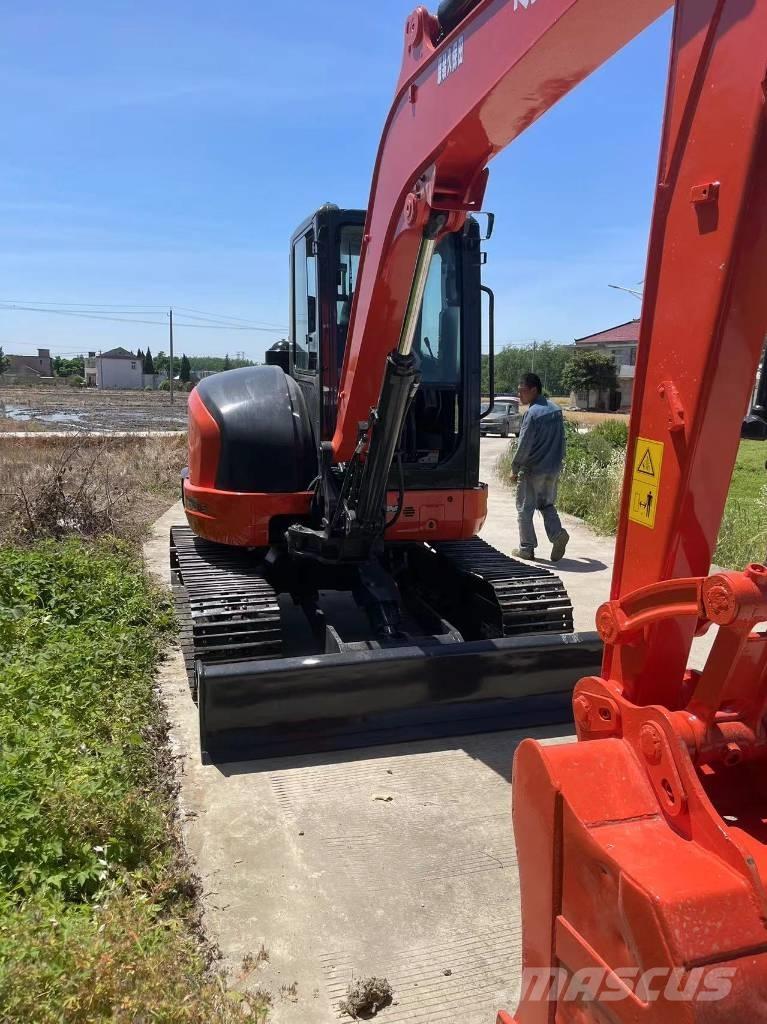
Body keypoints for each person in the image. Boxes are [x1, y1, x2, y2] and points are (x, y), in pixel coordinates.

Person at [510, 372, 569, 562]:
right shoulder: (556, 410)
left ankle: (526, 548)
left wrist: (515, 468)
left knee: (524, 509)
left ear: (534, 390)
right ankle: (557, 535)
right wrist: (559, 462)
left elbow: (524, 445)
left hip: (533, 470)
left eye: (522, 391)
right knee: (546, 504)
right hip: (553, 468)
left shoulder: (532, 413)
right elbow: (562, 440)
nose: (519, 395)